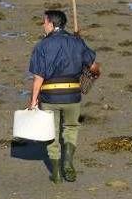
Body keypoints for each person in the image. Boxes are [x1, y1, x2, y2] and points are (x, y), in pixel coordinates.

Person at [27, 10, 100, 184]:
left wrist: (33, 101)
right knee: (71, 128)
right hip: (72, 95)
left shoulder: (41, 46)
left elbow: (38, 77)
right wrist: (79, 43)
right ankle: (68, 163)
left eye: (44, 22)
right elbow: (94, 68)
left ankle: (56, 173)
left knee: (51, 134)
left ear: (52, 24)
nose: (43, 25)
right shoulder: (77, 42)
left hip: (50, 96)